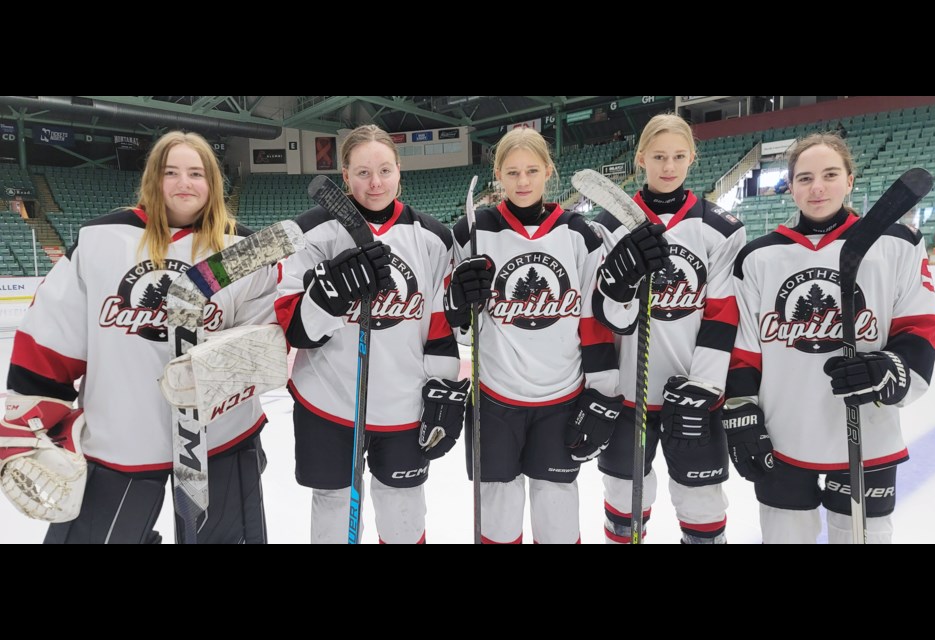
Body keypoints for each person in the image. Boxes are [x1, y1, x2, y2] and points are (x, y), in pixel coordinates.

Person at [1, 131, 280, 543]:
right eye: (171, 172)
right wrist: (32, 417)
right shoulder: (102, 240)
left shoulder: (244, 248)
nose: (184, 183)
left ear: (213, 184)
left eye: (196, 173)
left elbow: (266, 338)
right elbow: (52, 332)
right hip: (120, 436)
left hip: (221, 438)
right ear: (153, 178)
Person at [725, 132, 935, 544]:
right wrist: (741, 412)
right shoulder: (758, 257)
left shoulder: (898, 243)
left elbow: (919, 327)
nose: (817, 187)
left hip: (868, 436)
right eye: (804, 178)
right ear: (790, 187)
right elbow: (745, 350)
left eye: (829, 174)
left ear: (850, 180)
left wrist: (892, 370)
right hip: (784, 434)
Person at [446, 127, 641, 544]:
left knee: (557, 513)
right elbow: (461, 323)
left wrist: (604, 390)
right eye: (512, 172)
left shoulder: (580, 234)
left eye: (532, 170)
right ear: (498, 174)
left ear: (548, 171)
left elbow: (593, 319)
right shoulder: (472, 231)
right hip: (495, 398)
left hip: (561, 399)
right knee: (497, 514)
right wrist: (459, 302)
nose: (522, 181)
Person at [276, 124, 464, 544]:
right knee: (334, 511)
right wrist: (326, 299)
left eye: (384, 170)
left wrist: (442, 390)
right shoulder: (310, 232)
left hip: (404, 405)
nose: (375, 182)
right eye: (362, 172)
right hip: (327, 402)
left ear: (400, 170)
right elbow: (294, 328)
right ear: (344, 176)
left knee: (404, 510)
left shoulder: (434, 237)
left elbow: (438, 329)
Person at [592, 113, 745, 544]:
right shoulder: (605, 226)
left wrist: (705, 387)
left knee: (702, 504)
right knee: (623, 501)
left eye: (678, 156)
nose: (668, 166)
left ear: (692, 158)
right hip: (628, 395)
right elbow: (603, 320)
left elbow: (721, 316)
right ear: (641, 158)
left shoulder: (720, 229)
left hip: (693, 396)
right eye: (658, 156)